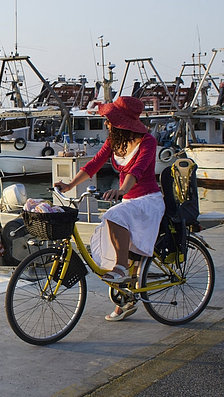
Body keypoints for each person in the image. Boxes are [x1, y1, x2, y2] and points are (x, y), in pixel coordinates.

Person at [54, 96, 165, 322]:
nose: (106, 123)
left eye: (110, 119)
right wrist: (69, 185)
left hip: (148, 201)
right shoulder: (115, 142)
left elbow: (139, 170)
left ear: (122, 123)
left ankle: (121, 268)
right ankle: (126, 300)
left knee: (113, 217)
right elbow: (93, 164)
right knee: (116, 236)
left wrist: (122, 190)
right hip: (130, 201)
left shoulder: (148, 142)